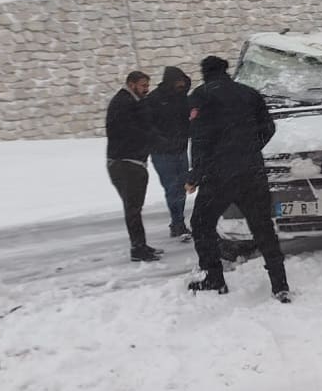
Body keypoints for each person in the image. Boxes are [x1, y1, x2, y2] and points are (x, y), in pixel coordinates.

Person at [185, 55, 291, 302]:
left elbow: (199, 140)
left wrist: (195, 175)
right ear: (226, 70)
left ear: (205, 72)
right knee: (263, 228)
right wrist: (250, 148)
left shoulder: (200, 97)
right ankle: (280, 285)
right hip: (252, 172)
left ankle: (214, 277)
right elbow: (269, 128)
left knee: (201, 224)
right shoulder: (249, 94)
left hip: (218, 176)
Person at [105, 70, 163, 262]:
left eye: (147, 85)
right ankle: (138, 248)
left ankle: (140, 245)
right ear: (131, 85)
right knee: (133, 208)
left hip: (129, 161)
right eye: (143, 86)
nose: (147, 90)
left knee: (134, 208)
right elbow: (131, 131)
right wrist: (152, 138)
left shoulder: (131, 102)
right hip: (126, 163)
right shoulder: (124, 104)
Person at [145, 66, 193, 240]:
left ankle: (178, 222)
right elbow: (147, 126)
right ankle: (177, 223)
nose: (181, 84)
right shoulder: (154, 100)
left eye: (182, 81)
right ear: (170, 82)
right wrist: (161, 141)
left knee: (181, 188)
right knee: (172, 188)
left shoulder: (182, 99)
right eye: (178, 81)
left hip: (180, 150)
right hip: (162, 152)